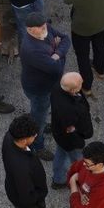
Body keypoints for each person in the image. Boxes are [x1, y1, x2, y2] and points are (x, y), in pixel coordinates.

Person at [20, 12, 71, 159]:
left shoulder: (44, 27)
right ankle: (37, 145)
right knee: (39, 117)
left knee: (40, 112)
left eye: (44, 25)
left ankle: (38, 126)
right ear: (30, 30)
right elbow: (57, 69)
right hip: (39, 90)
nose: (45, 28)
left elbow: (66, 39)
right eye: (40, 27)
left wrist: (56, 54)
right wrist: (59, 51)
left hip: (47, 85)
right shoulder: (32, 49)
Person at [49, 73, 93, 189]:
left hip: (60, 134)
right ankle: (80, 180)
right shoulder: (70, 109)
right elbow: (80, 128)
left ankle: (58, 179)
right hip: (71, 140)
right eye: (80, 84)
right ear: (73, 90)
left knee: (61, 153)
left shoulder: (58, 88)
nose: (82, 83)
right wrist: (80, 137)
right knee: (79, 161)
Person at [2, 114, 48, 208]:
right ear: (23, 141)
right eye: (34, 135)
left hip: (12, 188)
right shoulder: (21, 168)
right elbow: (27, 198)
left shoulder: (9, 136)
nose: (35, 136)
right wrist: (40, 197)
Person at [66, 142, 104, 208]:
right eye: (84, 160)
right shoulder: (87, 163)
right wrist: (80, 194)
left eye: (87, 163)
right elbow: (72, 170)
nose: (83, 164)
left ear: (100, 164)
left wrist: (73, 181)